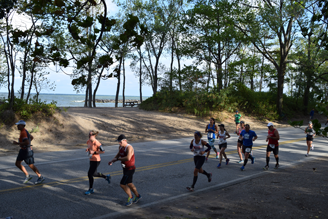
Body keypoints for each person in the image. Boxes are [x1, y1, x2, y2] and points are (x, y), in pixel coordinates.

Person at [108, 134, 141, 207]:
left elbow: (128, 158)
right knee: (129, 183)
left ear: (125, 140)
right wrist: (112, 161)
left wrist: (117, 159)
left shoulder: (129, 147)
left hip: (130, 168)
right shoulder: (120, 147)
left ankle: (131, 197)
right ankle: (138, 196)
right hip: (125, 168)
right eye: (118, 142)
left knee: (122, 184)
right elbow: (118, 154)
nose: (119, 143)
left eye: (120, 142)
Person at [13, 120, 45, 184]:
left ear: (22, 126)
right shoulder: (24, 130)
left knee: (31, 165)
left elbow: (27, 142)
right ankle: (27, 175)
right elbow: (31, 137)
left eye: (19, 125)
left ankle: (40, 177)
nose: (17, 126)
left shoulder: (23, 132)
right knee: (17, 163)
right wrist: (26, 143)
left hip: (27, 151)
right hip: (23, 150)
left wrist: (17, 143)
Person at [84, 131, 111, 195]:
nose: (89, 136)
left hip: (96, 160)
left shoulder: (97, 143)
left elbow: (103, 151)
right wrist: (88, 149)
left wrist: (94, 152)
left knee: (89, 174)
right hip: (91, 159)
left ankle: (91, 189)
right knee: (94, 174)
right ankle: (106, 177)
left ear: (94, 136)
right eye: (89, 134)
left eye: (91, 135)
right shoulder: (88, 141)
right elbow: (90, 147)